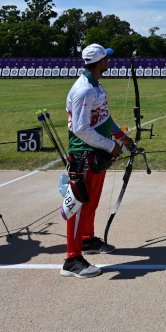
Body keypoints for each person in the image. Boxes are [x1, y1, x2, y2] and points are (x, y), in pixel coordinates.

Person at [62, 43, 131, 279]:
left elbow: (104, 115)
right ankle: (72, 260)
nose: (109, 62)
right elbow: (80, 129)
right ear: (100, 62)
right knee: (78, 206)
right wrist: (111, 145)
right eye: (106, 59)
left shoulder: (96, 85)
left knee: (91, 203)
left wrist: (121, 136)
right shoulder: (84, 90)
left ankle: (87, 239)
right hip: (84, 154)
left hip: (96, 153)